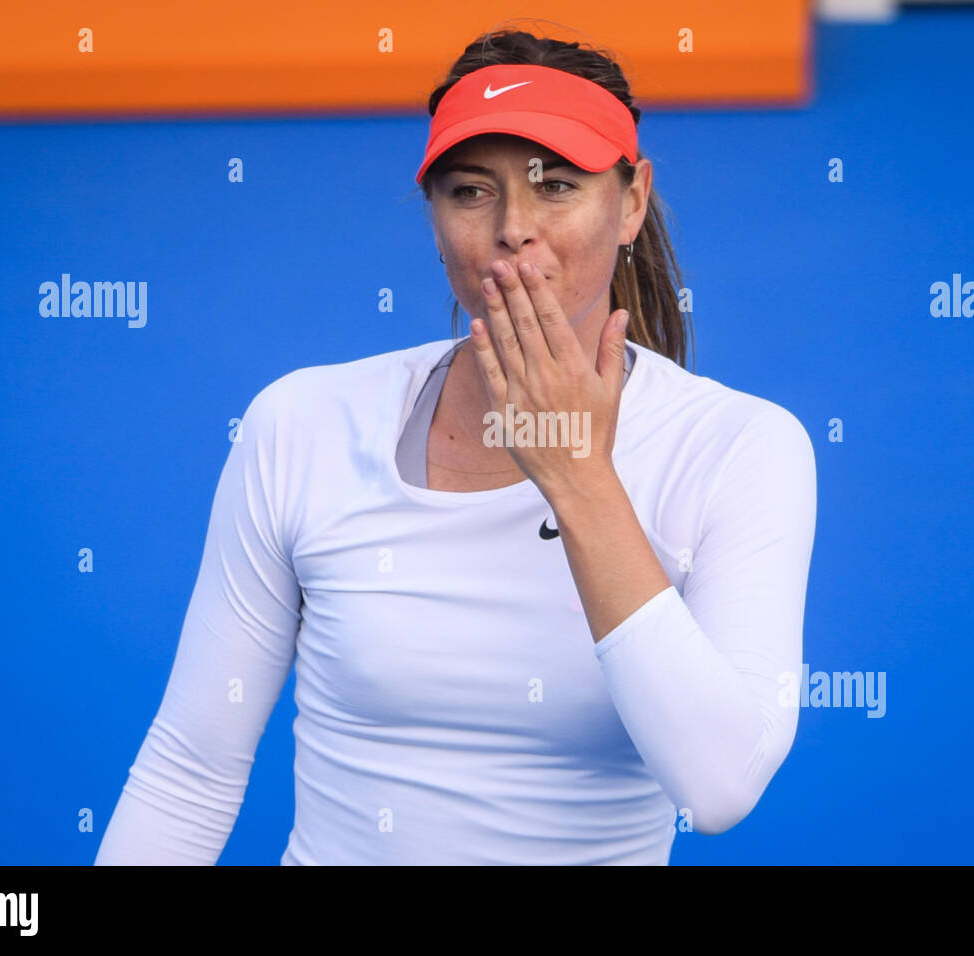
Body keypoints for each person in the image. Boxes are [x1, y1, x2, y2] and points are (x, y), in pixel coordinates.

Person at [94, 27, 816, 866]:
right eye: (471, 192)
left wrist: (577, 476)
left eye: (556, 187)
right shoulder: (298, 425)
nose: (514, 229)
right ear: (435, 218)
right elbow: (189, 772)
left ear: (631, 201)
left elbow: (721, 785)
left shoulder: (741, 448)